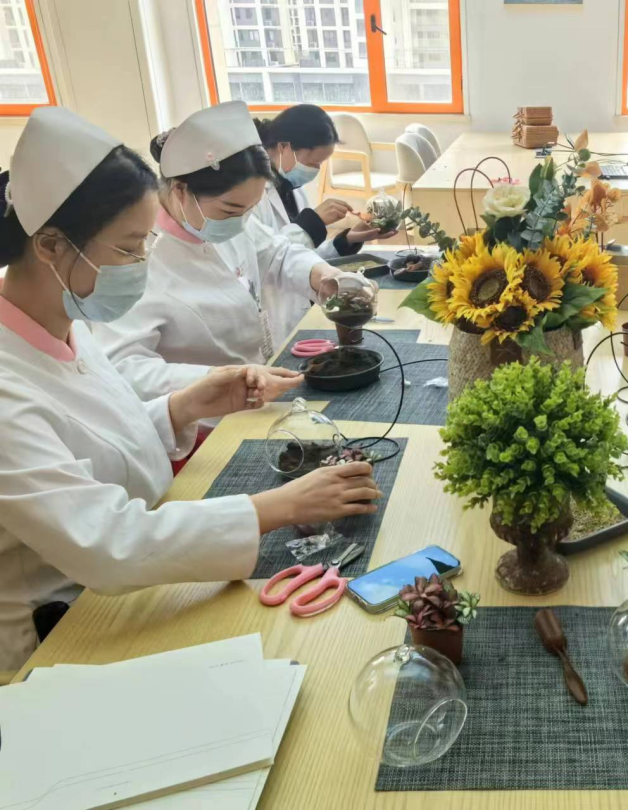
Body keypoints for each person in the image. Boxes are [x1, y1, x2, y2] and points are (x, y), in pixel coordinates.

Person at [0, 107, 381, 671]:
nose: (143, 262)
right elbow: (106, 542)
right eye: (129, 248)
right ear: (51, 245)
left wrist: (181, 407)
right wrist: (275, 508)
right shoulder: (8, 384)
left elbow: (99, 446)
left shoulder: (66, 325)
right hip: (64, 630)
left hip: (138, 576)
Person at [95, 101, 350, 398]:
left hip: (259, 388)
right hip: (202, 413)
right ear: (180, 190)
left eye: (249, 209)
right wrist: (218, 379)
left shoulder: (228, 221)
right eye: (230, 210)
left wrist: (322, 275)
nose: (241, 221)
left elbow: (277, 254)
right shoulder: (134, 259)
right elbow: (125, 366)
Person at [251, 105, 393, 341]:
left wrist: (346, 241)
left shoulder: (292, 187)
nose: (315, 170)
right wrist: (312, 222)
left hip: (301, 305)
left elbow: (305, 257)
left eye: (320, 164)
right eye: (313, 162)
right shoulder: (253, 196)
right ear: (284, 146)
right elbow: (269, 257)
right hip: (273, 311)